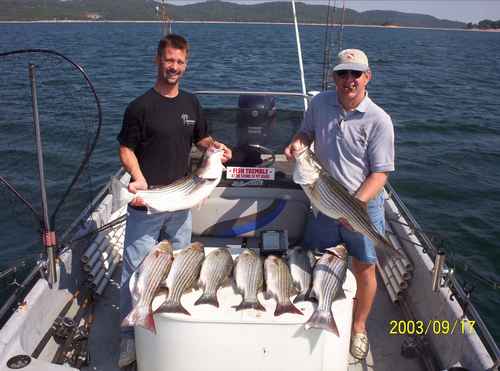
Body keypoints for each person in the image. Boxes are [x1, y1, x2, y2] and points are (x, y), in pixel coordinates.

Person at [116, 33, 232, 368]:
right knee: (135, 270)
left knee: (181, 263)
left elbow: (201, 138)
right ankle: (129, 337)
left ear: (186, 64)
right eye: (169, 61)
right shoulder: (140, 107)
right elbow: (126, 148)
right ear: (157, 60)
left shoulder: (191, 104)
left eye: (180, 62)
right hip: (151, 200)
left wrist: (215, 147)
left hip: (182, 201)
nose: (174, 67)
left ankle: (171, 319)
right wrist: (138, 181)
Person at [284, 48, 395, 360]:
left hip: (363, 203)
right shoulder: (319, 103)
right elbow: (305, 133)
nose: (349, 80)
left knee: (364, 267)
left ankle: (358, 326)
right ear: (334, 77)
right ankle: (316, 307)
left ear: (367, 77)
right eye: (342, 74)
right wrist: (298, 145)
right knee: (317, 258)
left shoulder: (379, 120)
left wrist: (352, 207)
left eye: (355, 74)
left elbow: (381, 173)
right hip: (325, 198)